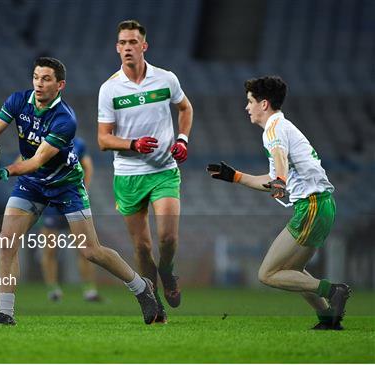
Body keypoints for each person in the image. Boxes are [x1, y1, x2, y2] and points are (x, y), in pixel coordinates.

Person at [0, 57, 158, 325]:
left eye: (46, 79)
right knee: (7, 241)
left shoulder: (65, 120)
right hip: (32, 184)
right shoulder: (17, 101)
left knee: (91, 251)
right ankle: (6, 313)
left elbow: (37, 160)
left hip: (66, 186)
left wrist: (5, 171)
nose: (39, 83)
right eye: (36, 77)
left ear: (60, 84)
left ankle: (141, 288)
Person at [206, 75, 351, 330]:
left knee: (267, 274)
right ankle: (328, 318)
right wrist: (237, 177)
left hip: (312, 206)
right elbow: (273, 177)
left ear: (264, 104)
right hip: (320, 205)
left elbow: (279, 160)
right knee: (294, 270)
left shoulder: (274, 128)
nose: (246, 107)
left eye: (250, 101)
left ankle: (333, 291)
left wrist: (281, 181)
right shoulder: (282, 128)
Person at [97, 20, 193, 323]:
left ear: (143, 46)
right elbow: (103, 139)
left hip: (164, 169)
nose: (127, 47)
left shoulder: (166, 79)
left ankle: (167, 272)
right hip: (128, 174)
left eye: (133, 42)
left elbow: (186, 109)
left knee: (167, 239)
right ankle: (153, 303)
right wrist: (133, 144)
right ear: (117, 47)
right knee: (142, 246)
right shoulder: (110, 88)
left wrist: (182, 139)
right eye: (122, 43)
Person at [39, 137, 103, 302]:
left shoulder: (78, 144)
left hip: (72, 201)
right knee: (50, 248)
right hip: (52, 203)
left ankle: (89, 289)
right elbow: (24, 161)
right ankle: (53, 289)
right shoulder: (41, 140)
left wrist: (83, 191)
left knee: (85, 248)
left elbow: (88, 167)